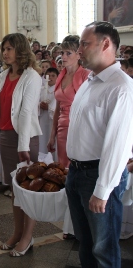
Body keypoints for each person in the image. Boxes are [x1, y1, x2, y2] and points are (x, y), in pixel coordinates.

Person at [66, 21, 133, 268]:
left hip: (98, 176)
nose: (79, 49)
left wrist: (102, 190)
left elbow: (119, 144)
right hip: (77, 173)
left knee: (103, 249)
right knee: (84, 241)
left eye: (84, 43)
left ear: (105, 43)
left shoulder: (121, 88)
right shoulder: (90, 80)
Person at [0, 33, 42, 257]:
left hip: (25, 140)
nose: (5, 53)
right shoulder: (2, 76)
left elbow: (27, 112)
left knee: (28, 190)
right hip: (7, 138)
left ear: (20, 49)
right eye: (3, 49)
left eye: (9, 49)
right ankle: (17, 232)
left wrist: (23, 144)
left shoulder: (32, 77)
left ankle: (28, 236)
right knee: (15, 190)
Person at [47, 35, 90, 168]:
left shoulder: (86, 75)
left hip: (79, 128)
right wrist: (52, 134)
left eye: (68, 53)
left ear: (78, 55)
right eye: (62, 53)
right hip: (62, 127)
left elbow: (89, 108)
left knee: (76, 166)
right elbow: (58, 108)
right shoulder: (61, 75)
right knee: (63, 166)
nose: (63, 56)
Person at [38, 67, 58, 157]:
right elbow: (35, 103)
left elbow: (59, 106)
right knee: (42, 140)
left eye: (53, 75)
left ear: (58, 77)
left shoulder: (58, 90)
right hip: (42, 119)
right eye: (48, 75)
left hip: (53, 121)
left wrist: (49, 108)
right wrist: (39, 105)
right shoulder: (41, 89)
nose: (50, 77)